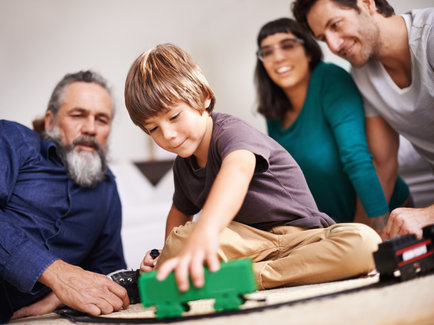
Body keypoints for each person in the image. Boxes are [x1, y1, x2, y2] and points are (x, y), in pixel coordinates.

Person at [124, 43, 381, 293]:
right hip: (245, 243)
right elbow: (179, 213)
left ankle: (248, 276)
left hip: (299, 237)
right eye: (153, 129)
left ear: (203, 98)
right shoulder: (183, 165)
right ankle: (231, 274)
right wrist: (166, 260)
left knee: (366, 243)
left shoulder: (231, 133)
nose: (167, 135)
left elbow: (236, 173)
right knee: (180, 243)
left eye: (174, 117)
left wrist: (207, 232)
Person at [0, 71, 130, 323]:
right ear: (50, 121)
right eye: (78, 115)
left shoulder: (107, 190)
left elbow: (108, 270)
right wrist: (57, 274)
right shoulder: (10, 138)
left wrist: (58, 297)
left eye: (102, 119)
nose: (90, 128)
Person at [291, 0, 434, 239]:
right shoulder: (362, 75)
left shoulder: (429, 37)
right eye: (324, 38)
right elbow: (383, 165)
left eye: (335, 25)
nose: (334, 46)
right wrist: (360, 237)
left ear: (367, 4)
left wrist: (429, 214)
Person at [253, 17, 409, 232]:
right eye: (267, 52)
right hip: (334, 231)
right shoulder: (274, 110)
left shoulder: (329, 79)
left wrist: (370, 228)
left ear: (308, 51)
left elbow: (357, 158)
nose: (278, 57)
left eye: (288, 46)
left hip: (384, 218)